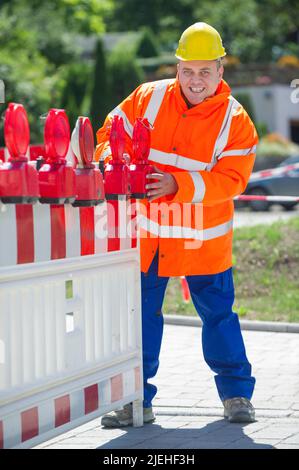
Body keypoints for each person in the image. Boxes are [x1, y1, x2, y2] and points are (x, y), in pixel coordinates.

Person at [95, 22, 258, 427]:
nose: (196, 81)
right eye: (189, 71)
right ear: (177, 67)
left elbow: (233, 179)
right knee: (142, 318)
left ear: (221, 70)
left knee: (219, 318)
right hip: (149, 236)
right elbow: (106, 134)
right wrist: (115, 162)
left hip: (202, 240)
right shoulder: (147, 97)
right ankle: (137, 401)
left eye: (206, 71)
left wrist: (177, 183)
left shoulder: (235, 121)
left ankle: (237, 394)